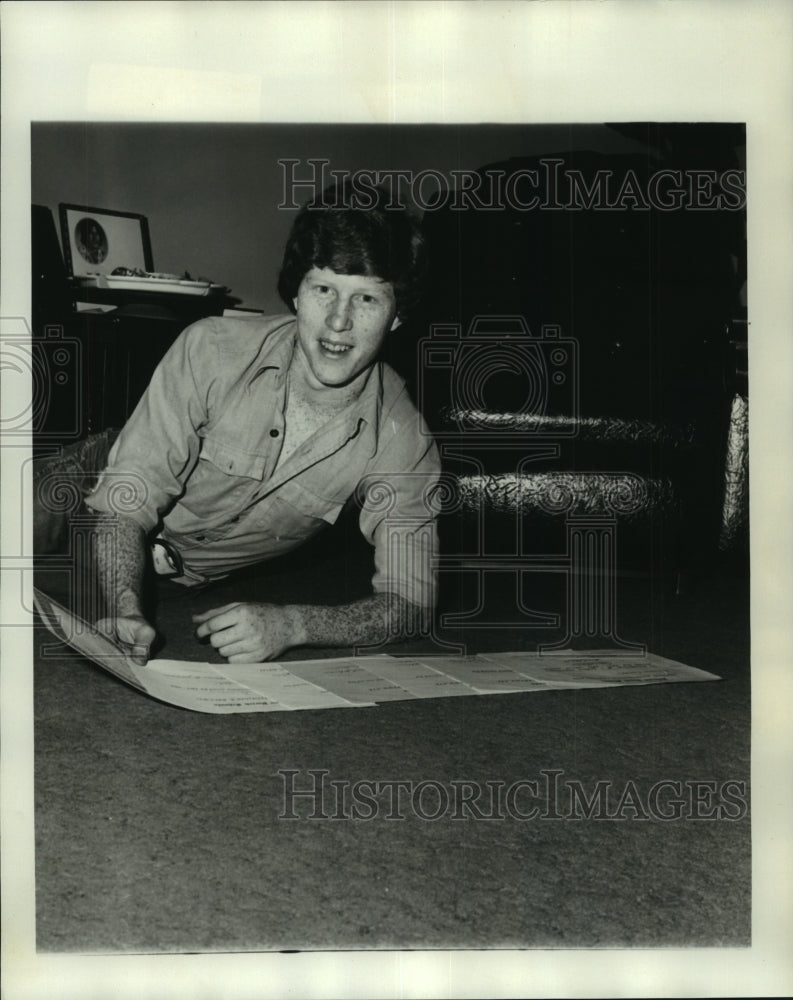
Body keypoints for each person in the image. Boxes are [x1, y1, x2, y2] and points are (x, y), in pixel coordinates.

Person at [40, 184, 440, 665]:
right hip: (86, 493)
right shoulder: (210, 347)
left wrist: (294, 624)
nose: (338, 321)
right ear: (296, 293)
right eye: (323, 290)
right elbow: (129, 494)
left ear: (397, 317)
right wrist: (126, 605)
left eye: (367, 300)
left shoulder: (404, 442)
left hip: (176, 579)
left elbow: (413, 603)